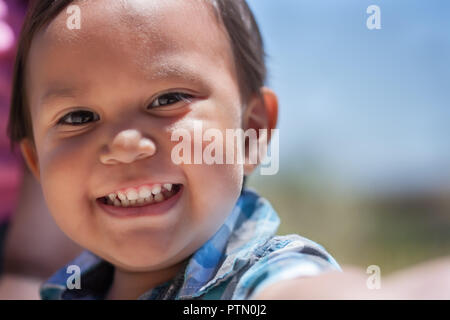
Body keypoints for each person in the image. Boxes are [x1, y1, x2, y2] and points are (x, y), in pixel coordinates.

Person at [7, 0, 341, 300]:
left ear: (251, 131)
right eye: (78, 117)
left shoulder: (258, 277)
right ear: (38, 164)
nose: (125, 146)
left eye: (167, 99)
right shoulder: (65, 290)